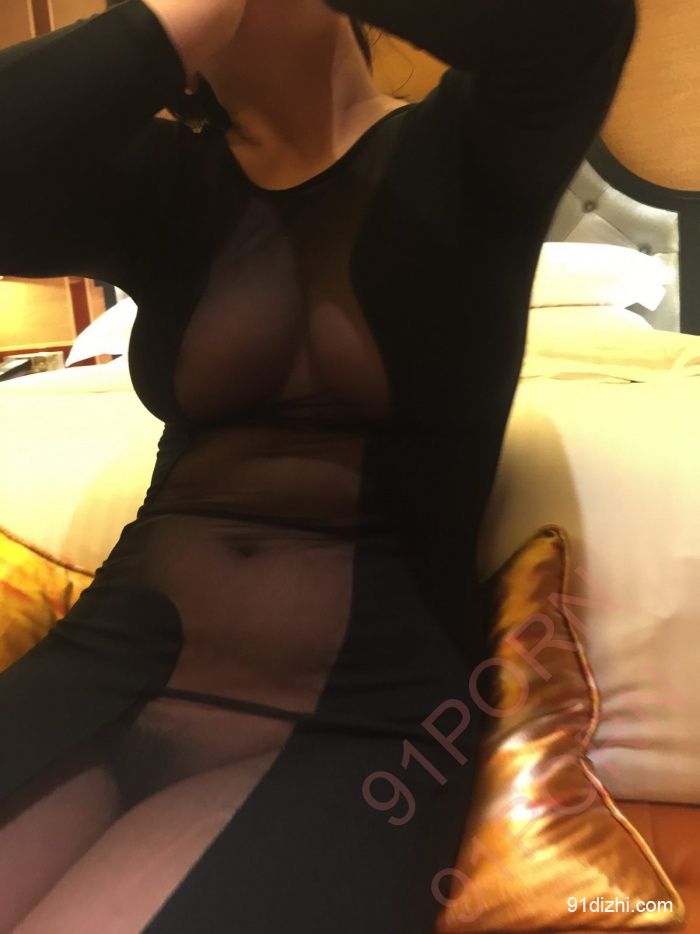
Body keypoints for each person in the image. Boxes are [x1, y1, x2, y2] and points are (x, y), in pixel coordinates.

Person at [0, 0, 637, 930]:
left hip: (362, 709)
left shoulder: (474, 147)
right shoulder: (160, 185)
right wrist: (163, 30)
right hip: (108, 663)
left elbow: (579, 25)